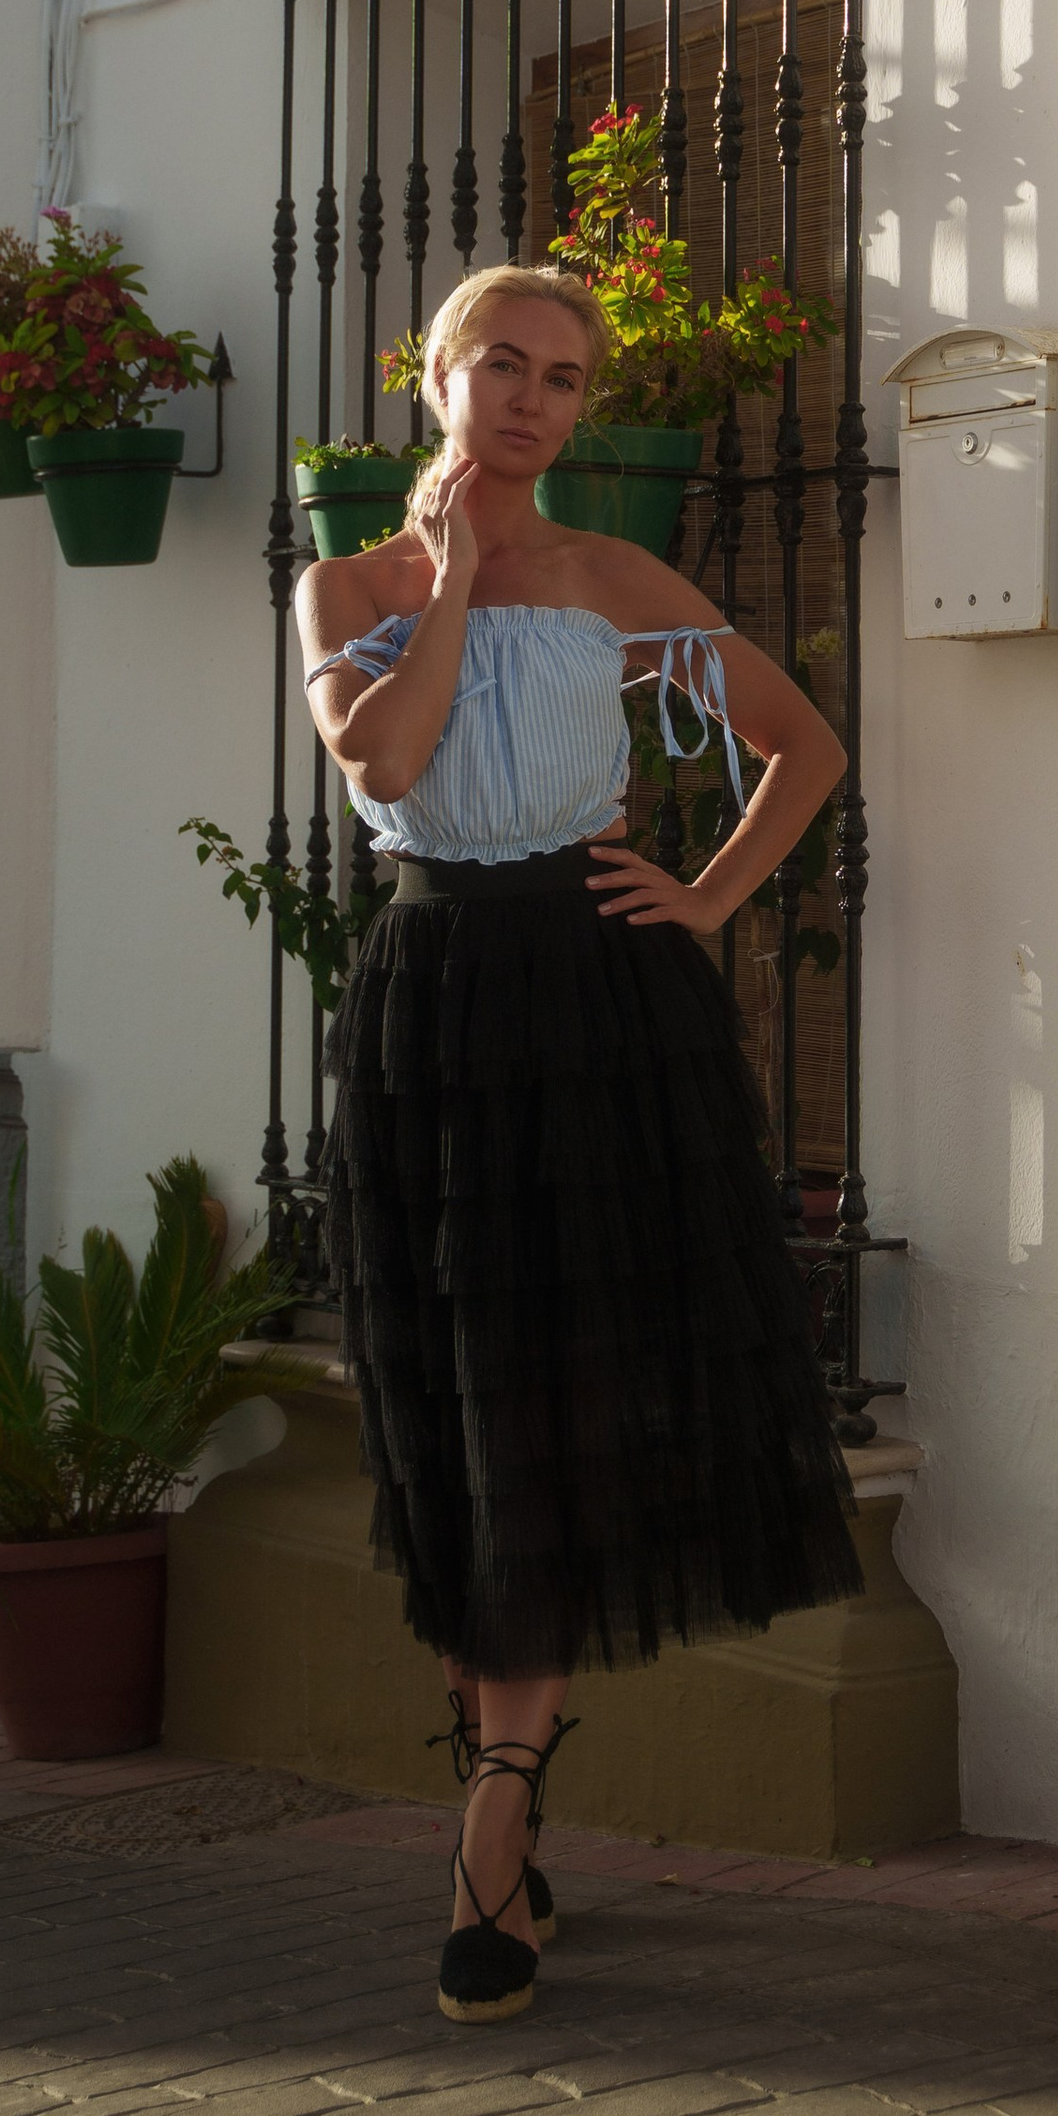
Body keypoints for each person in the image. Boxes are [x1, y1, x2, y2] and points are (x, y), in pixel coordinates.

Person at [298, 260, 862, 2024]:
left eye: (562, 378)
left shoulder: (622, 582)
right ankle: (507, 1813)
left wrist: (699, 902)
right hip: (434, 1005)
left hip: (601, 1010)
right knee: (466, 1408)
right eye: (503, 368)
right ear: (438, 379)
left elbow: (805, 749)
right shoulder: (348, 588)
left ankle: (495, 1819)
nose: (532, 400)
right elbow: (382, 757)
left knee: (561, 1399)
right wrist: (457, 585)